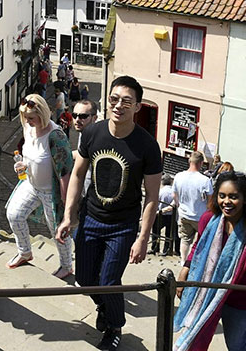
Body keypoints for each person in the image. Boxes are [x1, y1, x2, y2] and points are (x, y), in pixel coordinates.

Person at [56, 76, 162, 351]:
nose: (118, 106)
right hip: (91, 218)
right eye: (114, 99)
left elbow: (152, 196)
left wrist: (142, 238)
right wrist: (69, 215)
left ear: (137, 106)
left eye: (127, 101)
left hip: (123, 225)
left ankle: (115, 325)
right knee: (85, 280)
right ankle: (106, 306)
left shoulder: (147, 145)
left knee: (109, 281)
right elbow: (78, 173)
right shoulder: (92, 133)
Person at [174, 171, 246, 351]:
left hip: (242, 298)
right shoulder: (208, 220)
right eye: (222, 196)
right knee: (194, 337)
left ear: (245, 199)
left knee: (235, 345)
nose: (226, 201)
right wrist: (185, 269)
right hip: (207, 292)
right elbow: (198, 248)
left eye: (233, 197)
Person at [5, 94, 75, 279]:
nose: (27, 121)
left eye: (31, 118)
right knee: (14, 214)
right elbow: (31, 154)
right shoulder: (28, 127)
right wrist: (23, 165)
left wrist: (65, 204)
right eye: (25, 118)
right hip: (31, 183)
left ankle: (67, 266)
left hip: (50, 191)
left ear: (42, 114)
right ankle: (25, 252)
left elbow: (65, 171)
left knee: (57, 231)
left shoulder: (56, 136)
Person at [172, 151, 214, 264]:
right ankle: (197, 262)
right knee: (201, 240)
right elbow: (211, 199)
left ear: (189, 161)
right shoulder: (205, 180)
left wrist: (179, 205)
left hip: (184, 214)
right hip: (200, 216)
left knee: (185, 240)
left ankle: (183, 261)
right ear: (201, 163)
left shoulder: (178, 176)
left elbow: (174, 195)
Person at [73, 99, 99, 198]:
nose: (77, 119)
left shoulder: (95, 136)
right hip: (85, 187)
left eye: (83, 116)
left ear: (94, 118)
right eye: (75, 115)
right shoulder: (84, 132)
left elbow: (82, 155)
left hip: (93, 192)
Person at [150, 174, 174, 255]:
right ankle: (166, 250)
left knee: (156, 232)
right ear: (171, 182)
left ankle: (155, 248)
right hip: (171, 215)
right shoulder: (174, 192)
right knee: (168, 234)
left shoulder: (160, 191)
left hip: (160, 214)